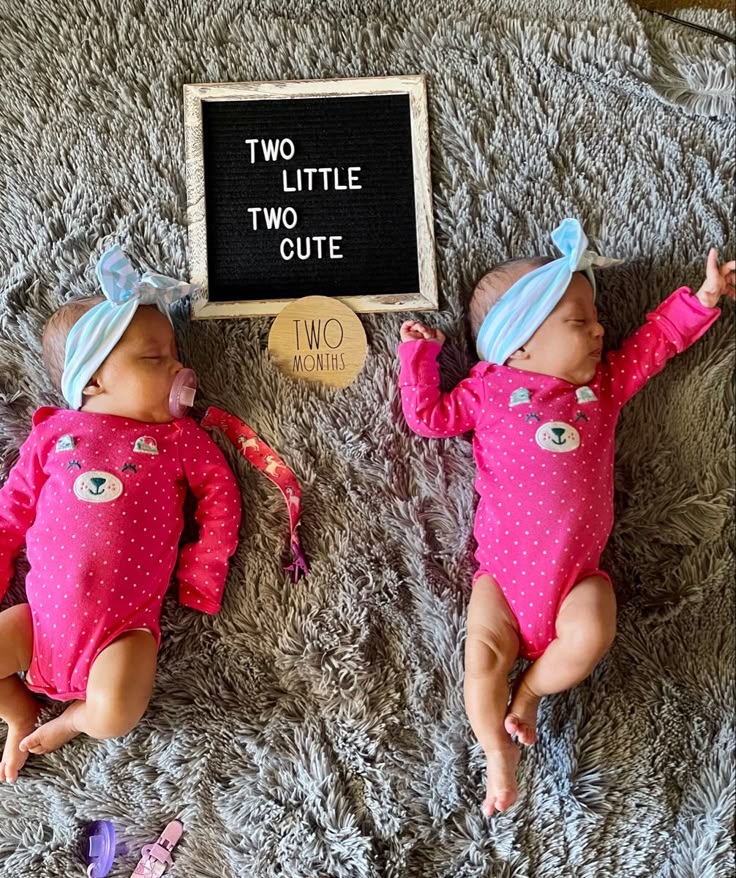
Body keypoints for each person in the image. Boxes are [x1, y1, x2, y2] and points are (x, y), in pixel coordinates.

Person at [398, 219, 734, 816]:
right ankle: (497, 751)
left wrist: (701, 300)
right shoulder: (489, 387)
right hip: (498, 578)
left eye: (595, 319)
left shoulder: (601, 387)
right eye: (580, 322)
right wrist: (418, 355)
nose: (601, 330)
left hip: (577, 578)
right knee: (480, 661)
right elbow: (428, 418)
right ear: (519, 344)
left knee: (593, 630)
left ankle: (528, 693)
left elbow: (655, 344)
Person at [0, 246, 242, 783]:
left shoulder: (181, 439)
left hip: (122, 631)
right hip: (36, 624)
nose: (179, 367)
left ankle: (76, 719)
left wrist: (201, 572)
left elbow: (221, 496)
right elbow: (11, 512)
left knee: (116, 713)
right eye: (155, 358)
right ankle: (18, 711)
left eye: (175, 355)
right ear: (91, 382)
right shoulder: (52, 434)